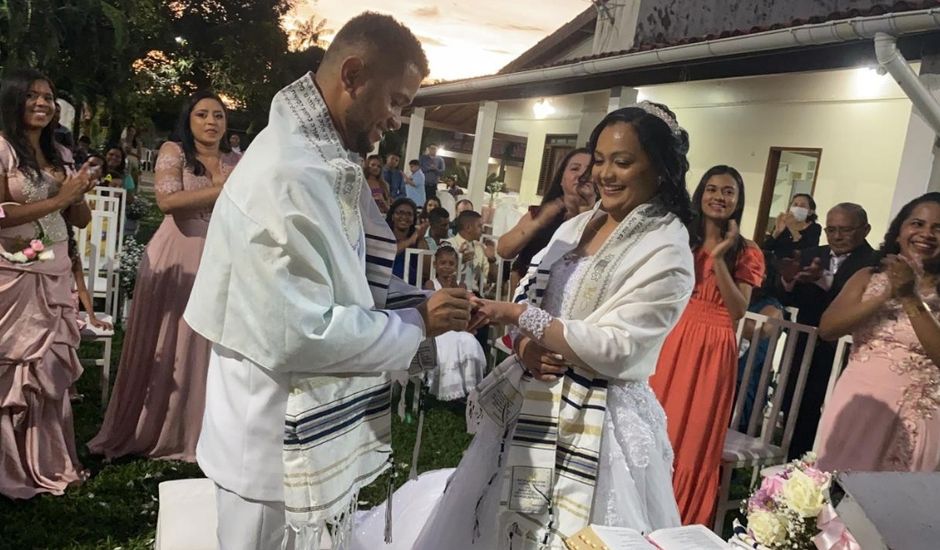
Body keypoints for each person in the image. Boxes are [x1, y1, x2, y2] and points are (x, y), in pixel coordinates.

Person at [182, 13, 472, 550]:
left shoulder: (323, 155)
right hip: (271, 441)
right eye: (396, 101)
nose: (396, 119)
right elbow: (300, 331)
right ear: (354, 75)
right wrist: (416, 322)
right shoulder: (289, 171)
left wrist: (422, 304)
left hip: (297, 427)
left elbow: (350, 270)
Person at [353, 102, 695, 550]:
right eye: (600, 159)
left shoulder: (666, 247)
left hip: (600, 422)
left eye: (623, 162)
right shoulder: (577, 226)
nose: (605, 174)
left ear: (660, 169)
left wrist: (518, 319)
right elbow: (531, 294)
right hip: (533, 403)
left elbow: (621, 348)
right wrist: (524, 346)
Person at [88, 91, 240, 462]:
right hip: (178, 253)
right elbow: (168, 202)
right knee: (169, 341)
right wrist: (228, 190)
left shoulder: (237, 159)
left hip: (224, 257)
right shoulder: (175, 152)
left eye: (218, 115)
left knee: (208, 344)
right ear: (188, 120)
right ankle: (154, 427)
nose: (211, 122)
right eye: (202, 114)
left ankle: (202, 429)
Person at [650, 165, 765, 526]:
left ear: (738, 200)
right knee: (657, 426)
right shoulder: (681, 238)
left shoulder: (747, 252)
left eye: (728, 191)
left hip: (714, 348)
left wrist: (718, 259)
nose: (719, 197)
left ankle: (678, 524)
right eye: (712, 189)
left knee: (694, 438)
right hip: (671, 338)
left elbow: (739, 309)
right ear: (700, 195)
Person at [0, 68, 96, 499]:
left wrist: (76, 193)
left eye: (48, 96)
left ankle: (49, 459)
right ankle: (8, 465)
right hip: (12, 273)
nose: (42, 103)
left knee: (49, 370)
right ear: (14, 100)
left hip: (55, 271)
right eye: (32, 95)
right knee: (11, 368)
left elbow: (80, 218)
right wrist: (58, 198)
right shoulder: (2, 149)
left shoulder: (61, 153)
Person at [815, 192, 940, 472]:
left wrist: (909, 297)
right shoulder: (866, 277)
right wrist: (884, 294)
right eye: (917, 224)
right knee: (836, 494)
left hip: (915, 416)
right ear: (899, 233)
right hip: (856, 405)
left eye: (938, 228)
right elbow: (828, 329)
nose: (926, 233)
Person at [776, 203, 878, 460]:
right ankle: (791, 474)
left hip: (845, 354)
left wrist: (825, 281)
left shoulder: (874, 264)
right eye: (831, 230)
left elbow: (860, 305)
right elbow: (786, 295)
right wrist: (788, 280)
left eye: (845, 230)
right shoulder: (811, 253)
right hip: (804, 349)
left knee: (835, 420)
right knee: (794, 410)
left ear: (865, 230)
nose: (836, 236)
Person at [497, 147, 595, 291]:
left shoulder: (601, 220)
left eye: (589, 171)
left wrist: (587, 210)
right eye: (575, 169)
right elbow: (504, 250)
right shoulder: (540, 213)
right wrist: (539, 222)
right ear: (561, 179)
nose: (581, 176)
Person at [422, 245, 486, 401]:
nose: (446, 267)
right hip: (439, 327)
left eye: (451, 264)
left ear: (456, 267)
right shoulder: (431, 284)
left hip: (456, 326)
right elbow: (434, 302)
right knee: (448, 344)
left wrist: (456, 287)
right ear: (435, 265)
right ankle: (448, 386)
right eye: (442, 263)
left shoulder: (461, 285)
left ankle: (468, 385)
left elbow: (465, 302)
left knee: (468, 341)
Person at [448, 209, 494, 293]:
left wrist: (492, 260)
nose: (482, 230)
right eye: (479, 226)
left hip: (475, 295)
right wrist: (459, 261)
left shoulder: (481, 247)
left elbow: (489, 278)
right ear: (468, 227)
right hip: (452, 293)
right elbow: (440, 273)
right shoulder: (448, 245)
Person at [763, 193, 821, 257]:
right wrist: (777, 232)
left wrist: (791, 227)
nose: (798, 208)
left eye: (802, 206)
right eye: (795, 205)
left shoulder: (815, 228)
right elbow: (765, 249)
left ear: (810, 212)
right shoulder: (783, 224)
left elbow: (807, 251)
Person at [387, 197, 428, 281]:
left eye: (409, 214)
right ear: (392, 216)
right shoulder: (385, 237)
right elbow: (388, 254)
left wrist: (420, 238)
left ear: (413, 220)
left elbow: (427, 271)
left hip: (411, 289)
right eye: (400, 213)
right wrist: (411, 240)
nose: (404, 217)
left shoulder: (418, 240)